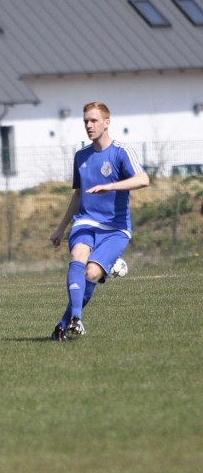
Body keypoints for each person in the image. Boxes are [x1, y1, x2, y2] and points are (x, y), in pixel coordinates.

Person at [49, 102, 150, 341]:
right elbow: (78, 194)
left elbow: (143, 179)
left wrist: (111, 186)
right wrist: (61, 228)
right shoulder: (81, 156)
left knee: (91, 274)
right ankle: (76, 319)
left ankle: (63, 325)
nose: (88, 125)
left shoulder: (121, 152)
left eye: (93, 120)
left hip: (116, 228)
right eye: (85, 121)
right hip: (85, 222)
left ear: (107, 122)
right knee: (78, 258)